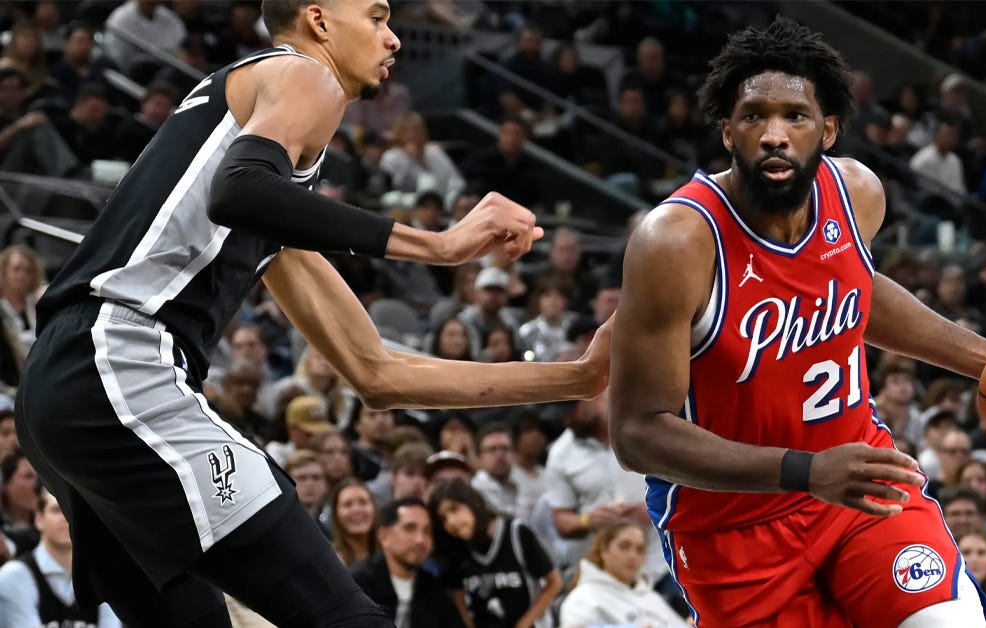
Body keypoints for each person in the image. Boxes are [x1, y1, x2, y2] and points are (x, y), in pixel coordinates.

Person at [13, 2, 610, 626]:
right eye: (376, 18)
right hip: (117, 363)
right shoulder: (303, 74)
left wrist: (578, 377)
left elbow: (379, 374)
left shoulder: (259, 168)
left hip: (63, 391)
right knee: (343, 617)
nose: (394, 39)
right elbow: (239, 189)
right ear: (319, 21)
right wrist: (438, 245)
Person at [609, 18, 986, 627]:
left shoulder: (857, 193)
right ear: (727, 130)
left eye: (795, 116)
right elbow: (636, 434)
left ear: (829, 129)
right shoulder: (676, 241)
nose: (774, 135)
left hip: (857, 484)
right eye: (753, 116)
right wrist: (806, 472)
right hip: (732, 527)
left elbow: (855, 289)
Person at [430, 478, 562, 628]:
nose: (451, 521)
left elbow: (554, 583)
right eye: (443, 518)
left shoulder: (516, 533)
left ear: (474, 502)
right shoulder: (456, 548)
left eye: (454, 509)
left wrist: (523, 625)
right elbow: (458, 596)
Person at [0, 489, 121, 627]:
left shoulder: (103, 575)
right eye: (57, 510)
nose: (66, 517)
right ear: (39, 520)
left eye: (72, 511)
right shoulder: (13, 575)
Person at [350, 498, 464, 628]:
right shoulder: (357, 584)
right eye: (410, 528)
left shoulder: (433, 587)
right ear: (383, 536)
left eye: (427, 531)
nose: (420, 540)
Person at [559, 519, 689, 628]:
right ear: (604, 550)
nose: (633, 556)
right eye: (624, 546)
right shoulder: (584, 597)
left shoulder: (650, 597)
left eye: (640, 550)